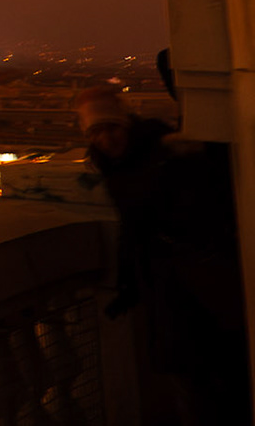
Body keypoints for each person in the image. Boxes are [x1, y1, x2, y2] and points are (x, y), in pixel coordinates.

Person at [74, 81, 248, 423]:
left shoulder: (164, 151)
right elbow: (132, 227)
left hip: (203, 276)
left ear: (125, 125)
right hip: (171, 284)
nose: (106, 140)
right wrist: (127, 284)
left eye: (111, 129)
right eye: (97, 132)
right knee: (192, 373)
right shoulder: (120, 168)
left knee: (214, 369)